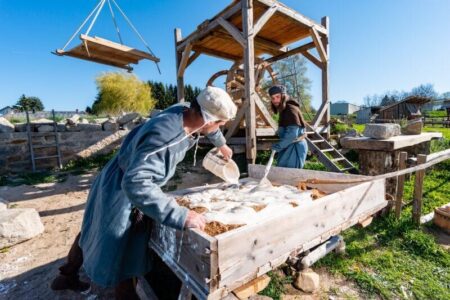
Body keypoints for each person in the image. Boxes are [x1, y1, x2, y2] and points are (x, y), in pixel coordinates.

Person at [51, 86, 237, 299]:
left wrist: (221, 144)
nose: (219, 127)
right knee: (122, 247)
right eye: (220, 123)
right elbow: (136, 184)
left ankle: (66, 275)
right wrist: (180, 215)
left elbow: (210, 125)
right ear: (208, 119)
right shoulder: (165, 136)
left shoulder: (185, 109)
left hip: (116, 174)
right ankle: (122, 292)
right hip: (122, 190)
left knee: (93, 228)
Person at [269, 85, 308, 169]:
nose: (275, 100)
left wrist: (277, 147)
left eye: (277, 97)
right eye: (272, 98)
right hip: (288, 146)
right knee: (283, 176)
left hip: (294, 147)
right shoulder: (284, 109)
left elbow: (292, 135)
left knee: (289, 176)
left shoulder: (290, 109)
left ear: (284, 96)